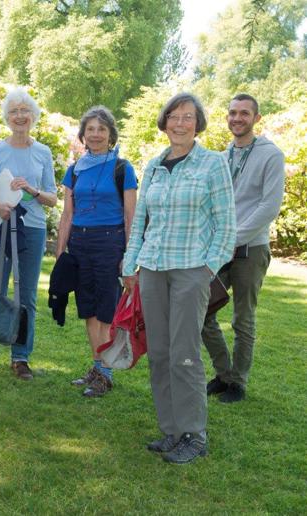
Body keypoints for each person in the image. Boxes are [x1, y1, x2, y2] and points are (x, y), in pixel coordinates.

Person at [122, 92, 235, 464]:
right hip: (153, 269)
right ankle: (171, 431)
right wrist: (130, 263)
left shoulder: (212, 164)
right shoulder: (154, 165)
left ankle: (194, 435)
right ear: (164, 121)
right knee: (159, 353)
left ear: (198, 123)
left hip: (190, 270)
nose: (180, 123)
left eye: (188, 116)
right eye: (174, 116)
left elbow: (226, 224)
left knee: (184, 354)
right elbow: (140, 221)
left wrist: (208, 269)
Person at [202, 94, 285, 403]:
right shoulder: (222, 157)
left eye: (245, 113)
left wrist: (232, 237)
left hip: (251, 248)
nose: (237, 118)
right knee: (202, 310)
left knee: (243, 318)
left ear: (256, 118)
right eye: (233, 112)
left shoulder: (270, 155)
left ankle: (238, 383)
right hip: (219, 249)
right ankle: (224, 373)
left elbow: (269, 206)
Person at [0, 88, 58, 380]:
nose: (20, 116)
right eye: (14, 111)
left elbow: (52, 198)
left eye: (25, 111)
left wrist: (32, 191)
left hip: (32, 230)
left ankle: (20, 357)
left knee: (27, 297)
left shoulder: (43, 152)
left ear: (33, 116)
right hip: (0, 229)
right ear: (7, 117)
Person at [56, 106, 137, 397]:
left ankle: (106, 372)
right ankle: (96, 366)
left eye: (102, 129)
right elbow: (67, 214)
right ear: (83, 134)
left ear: (111, 134)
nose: (96, 134)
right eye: (90, 129)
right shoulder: (74, 170)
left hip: (109, 243)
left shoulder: (122, 169)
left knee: (106, 311)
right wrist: (61, 252)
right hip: (80, 243)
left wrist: (131, 254)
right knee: (88, 309)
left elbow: (131, 216)